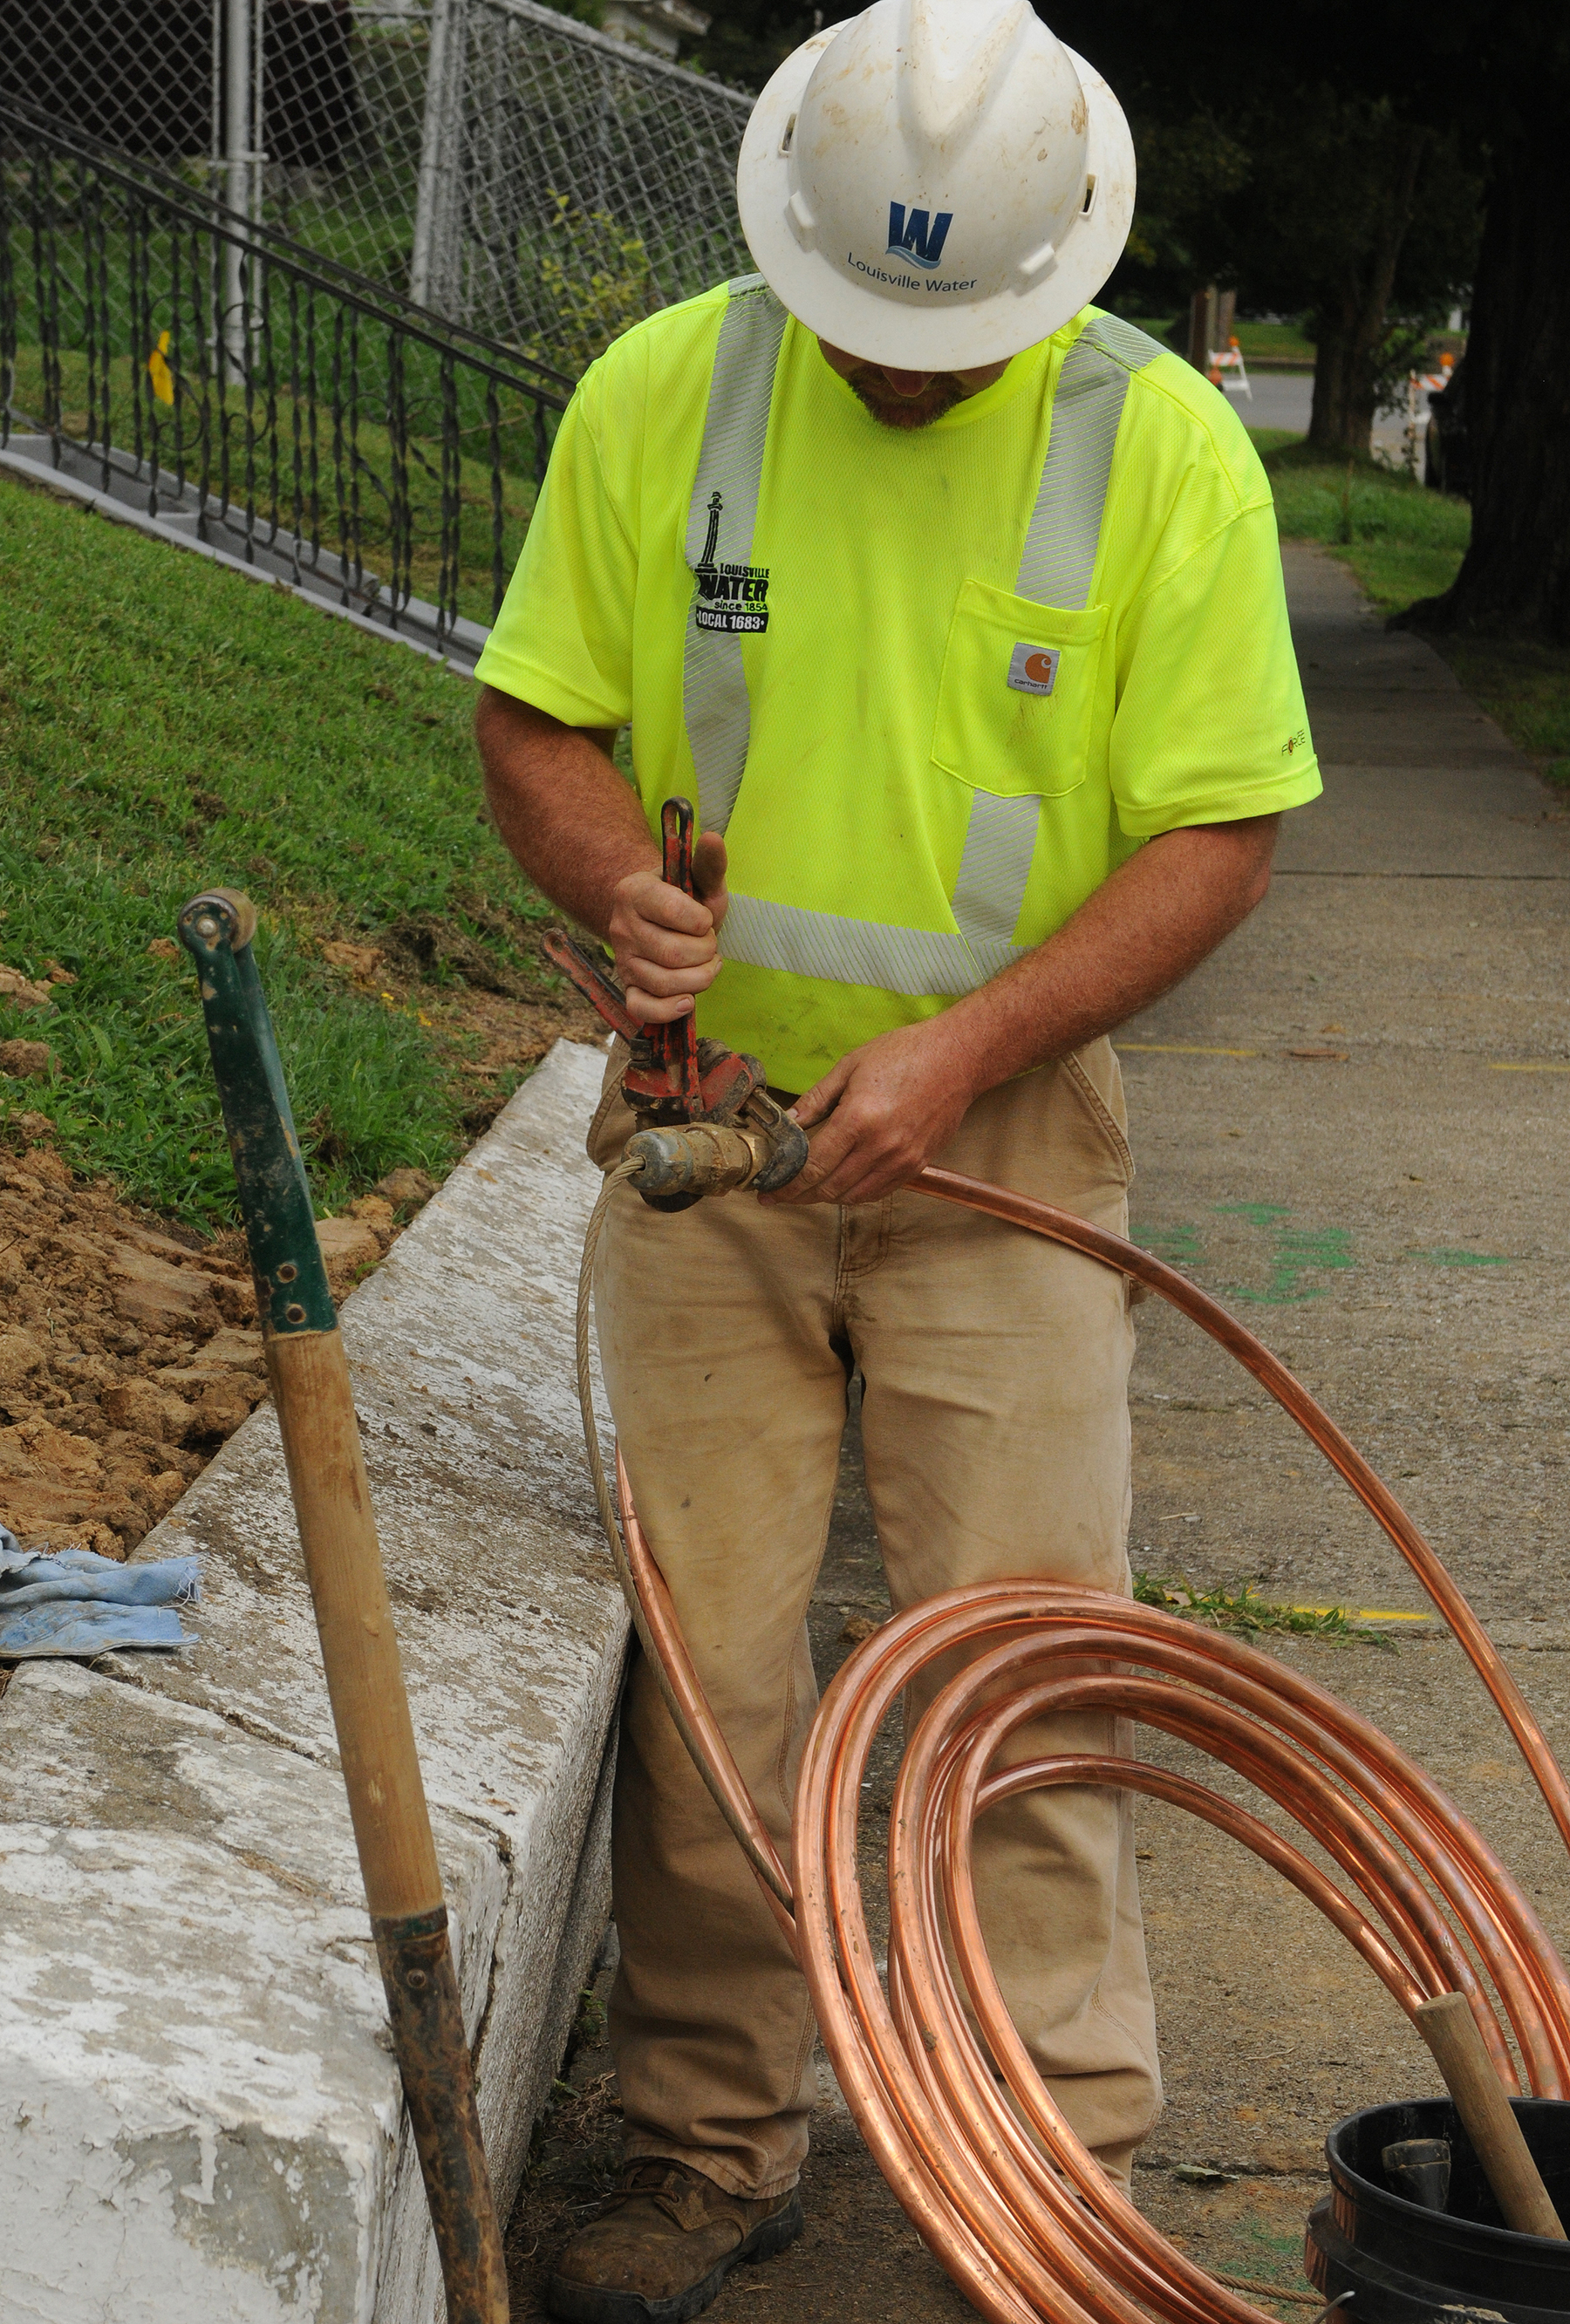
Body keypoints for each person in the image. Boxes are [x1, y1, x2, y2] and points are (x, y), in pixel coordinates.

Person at [474, 3, 1321, 2316]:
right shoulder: (669, 391)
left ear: (1058, 270)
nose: (909, 374)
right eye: (875, 328)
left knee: (1018, 1662)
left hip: (1005, 1133)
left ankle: (1054, 2157)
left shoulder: (1163, 451)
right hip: (698, 1134)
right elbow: (533, 709)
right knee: (709, 1670)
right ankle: (707, 2138)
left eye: (953, 340)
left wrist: (965, 1052)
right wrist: (602, 887)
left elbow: (1222, 833)